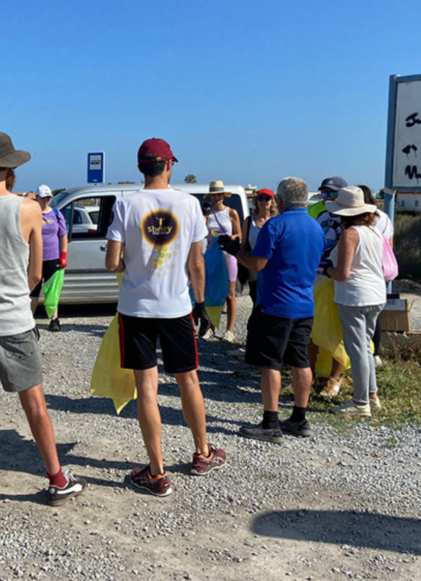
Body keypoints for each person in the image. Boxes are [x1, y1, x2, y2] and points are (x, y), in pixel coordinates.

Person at [0, 132, 86, 526]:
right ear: (8, 168)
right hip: (15, 321)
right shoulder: (28, 209)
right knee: (34, 404)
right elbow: (36, 273)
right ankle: (57, 479)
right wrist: (13, 298)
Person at [105, 138, 226, 498]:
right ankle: (203, 453)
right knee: (189, 380)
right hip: (176, 308)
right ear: (169, 164)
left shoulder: (125, 205)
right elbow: (197, 263)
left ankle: (156, 473)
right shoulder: (189, 205)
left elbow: (112, 262)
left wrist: (135, 266)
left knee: (147, 388)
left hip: (136, 309)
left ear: (141, 167)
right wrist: (201, 303)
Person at [220, 177, 325, 442]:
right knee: (301, 360)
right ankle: (300, 418)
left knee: (271, 363)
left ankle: (270, 422)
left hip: (275, 304)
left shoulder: (275, 226)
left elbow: (256, 264)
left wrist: (234, 250)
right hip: (304, 305)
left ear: (279, 200)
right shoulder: (316, 227)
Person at [323, 187, 387, 417]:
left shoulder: (350, 234)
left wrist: (327, 269)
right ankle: (372, 394)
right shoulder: (374, 232)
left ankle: (361, 402)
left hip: (355, 296)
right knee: (366, 347)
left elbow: (343, 273)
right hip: (376, 294)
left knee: (357, 348)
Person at [309, 176, 348, 398]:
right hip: (316, 276)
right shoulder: (318, 213)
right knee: (312, 329)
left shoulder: (350, 218)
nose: (328, 198)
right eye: (324, 193)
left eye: (333, 194)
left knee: (337, 331)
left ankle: (335, 378)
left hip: (338, 279)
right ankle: (310, 374)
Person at [203, 180, 242, 342]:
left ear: (223, 196)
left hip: (228, 255)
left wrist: (229, 238)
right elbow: (202, 233)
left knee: (230, 294)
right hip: (212, 256)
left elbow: (240, 235)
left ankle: (230, 331)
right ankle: (211, 327)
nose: (216, 197)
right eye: (214, 195)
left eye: (219, 194)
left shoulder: (231, 213)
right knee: (212, 293)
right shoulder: (207, 214)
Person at [359, 185, 393, 367]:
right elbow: (390, 246)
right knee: (375, 315)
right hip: (381, 272)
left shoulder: (359, 221)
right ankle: (375, 352)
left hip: (362, 271)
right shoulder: (385, 219)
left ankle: (362, 356)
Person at [30, 184, 67, 331]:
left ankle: (54, 319)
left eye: (48, 198)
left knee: (52, 291)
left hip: (53, 257)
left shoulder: (57, 214)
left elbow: (63, 235)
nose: (46, 201)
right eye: (43, 198)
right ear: (37, 198)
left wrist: (63, 255)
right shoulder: (32, 214)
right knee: (33, 290)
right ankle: (30, 320)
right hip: (35, 258)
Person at [240, 188, 277, 307]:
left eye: (267, 198)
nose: (264, 201)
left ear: (272, 202)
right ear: (256, 201)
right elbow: (244, 245)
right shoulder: (249, 221)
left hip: (273, 271)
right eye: (260, 198)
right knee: (257, 303)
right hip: (254, 271)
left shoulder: (277, 221)